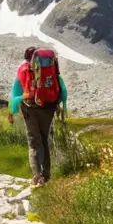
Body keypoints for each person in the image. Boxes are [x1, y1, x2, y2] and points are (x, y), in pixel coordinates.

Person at [8, 46, 68, 186]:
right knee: (44, 139)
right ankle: (46, 175)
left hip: (30, 108)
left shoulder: (24, 70)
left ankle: (37, 176)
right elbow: (61, 88)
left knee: (34, 141)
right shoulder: (50, 68)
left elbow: (16, 94)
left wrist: (12, 111)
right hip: (49, 107)